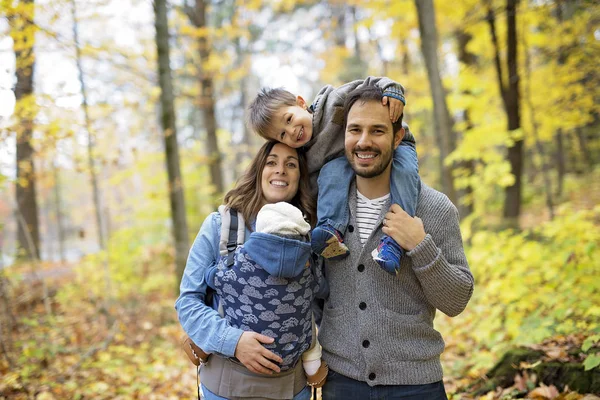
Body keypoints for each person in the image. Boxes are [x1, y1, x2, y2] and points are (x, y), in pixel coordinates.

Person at [316, 85, 474, 399]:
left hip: (417, 385)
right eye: (355, 130)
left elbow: (457, 301)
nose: (364, 142)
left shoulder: (434, 208)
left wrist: (420, 245)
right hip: (341, 383)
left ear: (398, 137)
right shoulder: (324, 208)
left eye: (377, 130)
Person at [176, 142, 328, 400]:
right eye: (271, 162)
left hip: (293, 389)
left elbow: (319, 301)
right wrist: (233, 341)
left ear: (300, 177)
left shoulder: (311, 235)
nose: (280, 170)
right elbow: (188, 302)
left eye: (291, 164)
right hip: (226, 387)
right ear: (258, 171)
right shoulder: (222, 225)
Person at [247, 77, 420, 275]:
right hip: (352, 160)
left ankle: (394, 241)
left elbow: (370, 84)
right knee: (331, 172)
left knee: (404, 173)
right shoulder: (307, 156)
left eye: (289, 120)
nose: (292, 131)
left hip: (393, 145)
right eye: (283, 135)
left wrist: (392, 91)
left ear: (301, 103)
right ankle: (330, 230)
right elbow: (313, 187)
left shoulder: (333, 101)